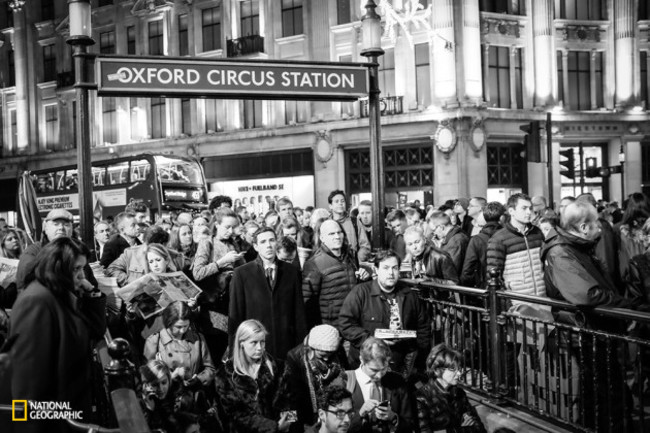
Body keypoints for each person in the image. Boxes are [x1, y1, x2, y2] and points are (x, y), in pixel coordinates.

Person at [542, 200, 642, 431]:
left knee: (604, 386)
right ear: (583, 227)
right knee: (600, 388)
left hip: (593, 329)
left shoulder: (575, 247)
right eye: (596, 223)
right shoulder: (561, 252)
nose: (600, 227)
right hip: (586, 330)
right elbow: (587, 294)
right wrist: (627, 305)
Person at [8, 237, 106, 433]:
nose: (81, 276)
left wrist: (92, 294)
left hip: (68, 413)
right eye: (76, 269)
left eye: (83, 269)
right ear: (58, 267)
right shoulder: (36, 300)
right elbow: (27, 380)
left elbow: (95, 330)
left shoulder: (61, 294)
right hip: (54, 421)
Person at [339, 250, 431, 374]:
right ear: (376, 270)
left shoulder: (410, 295)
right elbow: (346, 324)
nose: (391, 273)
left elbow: (423, 327)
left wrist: (418, 360)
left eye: (395, 268)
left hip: (400, 365)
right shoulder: (360, 292)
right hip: (367, 364)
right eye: (386, 268)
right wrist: (371, 339)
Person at [229, 227, 307, 360]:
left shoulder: (291, 272)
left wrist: (301, 348)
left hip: (286, 346)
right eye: (263, 242)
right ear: (256, 246)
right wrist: (234, 352)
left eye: (271, 240)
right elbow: (236, 314)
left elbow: (299, 312)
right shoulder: (242, 273)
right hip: (255, 347)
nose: (268, 245)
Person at [215, 319, 292, 433]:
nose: (260, 347)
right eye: (254, 342)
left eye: (262, 342)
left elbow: (290, 401)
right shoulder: (226, 375)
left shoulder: (280, 368)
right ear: (242, 343)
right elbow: (236, 414)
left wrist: (288, 424)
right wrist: (274, 427)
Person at [276, 324, 348, 428]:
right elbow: (291, 396)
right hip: (306, 413)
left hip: (335, 411)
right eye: (322, 355)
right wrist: (291, 424)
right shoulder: (295, 357)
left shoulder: (338, 351)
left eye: (330, 354)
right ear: (312, 348)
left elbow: (347, 376)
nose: (327, 359)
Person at [303, 220, 370, 329]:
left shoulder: (351, 257)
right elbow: (308, 302)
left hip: (354, 321)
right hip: (331, 326)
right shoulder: (313, 263)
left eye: (339, 232)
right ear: (322, 238)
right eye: (331, 234)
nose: (337, 236)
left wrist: (364, 278)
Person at [343, 337, 414, 433]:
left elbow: (410, 423)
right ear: (361, 360)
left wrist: (393, 418)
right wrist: (360, 414)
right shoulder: (344, 381)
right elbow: (333, 426)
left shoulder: (397, 381)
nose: (379, 375)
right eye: (374, 370)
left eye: (384, 369)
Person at [415, 344, 486, 433]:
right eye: (453, 369)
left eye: (459, 369)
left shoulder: (459, 393)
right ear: (437, 371)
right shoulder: (421, 399)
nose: (459, 374)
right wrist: (462, 429)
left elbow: (478, 427)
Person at [144, 301, 216, 388]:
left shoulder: (197, 339)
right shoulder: (154, 341)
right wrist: (172, 376)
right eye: (178, 327)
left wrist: (198, 380)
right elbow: (147, 375)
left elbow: (210, 369)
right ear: (169, 323)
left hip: (191, 394)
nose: (182, 331)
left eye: (186, 326)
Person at [139, 359, 195, 433]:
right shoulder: (141, 403)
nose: (161, 388)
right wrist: (149, 410)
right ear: (146, 385)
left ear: (169, 380)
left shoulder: (181, 398)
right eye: (155, 385)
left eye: (164, 382)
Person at [460, 202, 505, 288]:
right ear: (502, 218)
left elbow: (467, 270)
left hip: (485, 287)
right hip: (508, 288)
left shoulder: (477, 240)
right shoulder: (508, 236)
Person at [328, 190, 371, 259]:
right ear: (330, 206)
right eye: (337, 201)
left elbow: (365, 245)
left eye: (342, 201)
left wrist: (359, 257)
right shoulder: (326, 224)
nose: (340, 204)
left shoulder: (354, 222)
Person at [427, 210, 469, 275]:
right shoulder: (452, 238)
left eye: (434, 230)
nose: (434, 234)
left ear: (442, 227)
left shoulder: (455, 241)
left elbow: (450, 270)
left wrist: (438, 250)